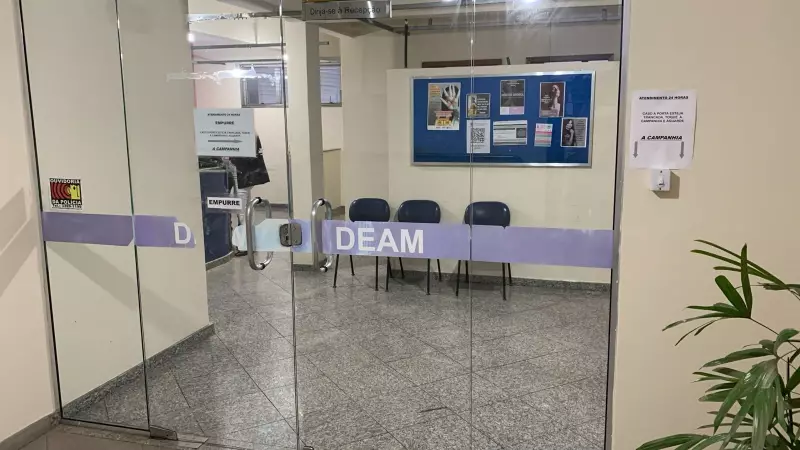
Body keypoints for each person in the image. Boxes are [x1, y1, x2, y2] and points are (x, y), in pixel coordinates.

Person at [227, 136, 270, 252]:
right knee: (245, 210)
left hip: (243, 176)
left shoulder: (245, 135)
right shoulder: (249, 133)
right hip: (246, 176)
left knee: (241, 212)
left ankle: (245, 245)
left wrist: (229, 160)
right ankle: (250, 242)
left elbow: (243, 158)